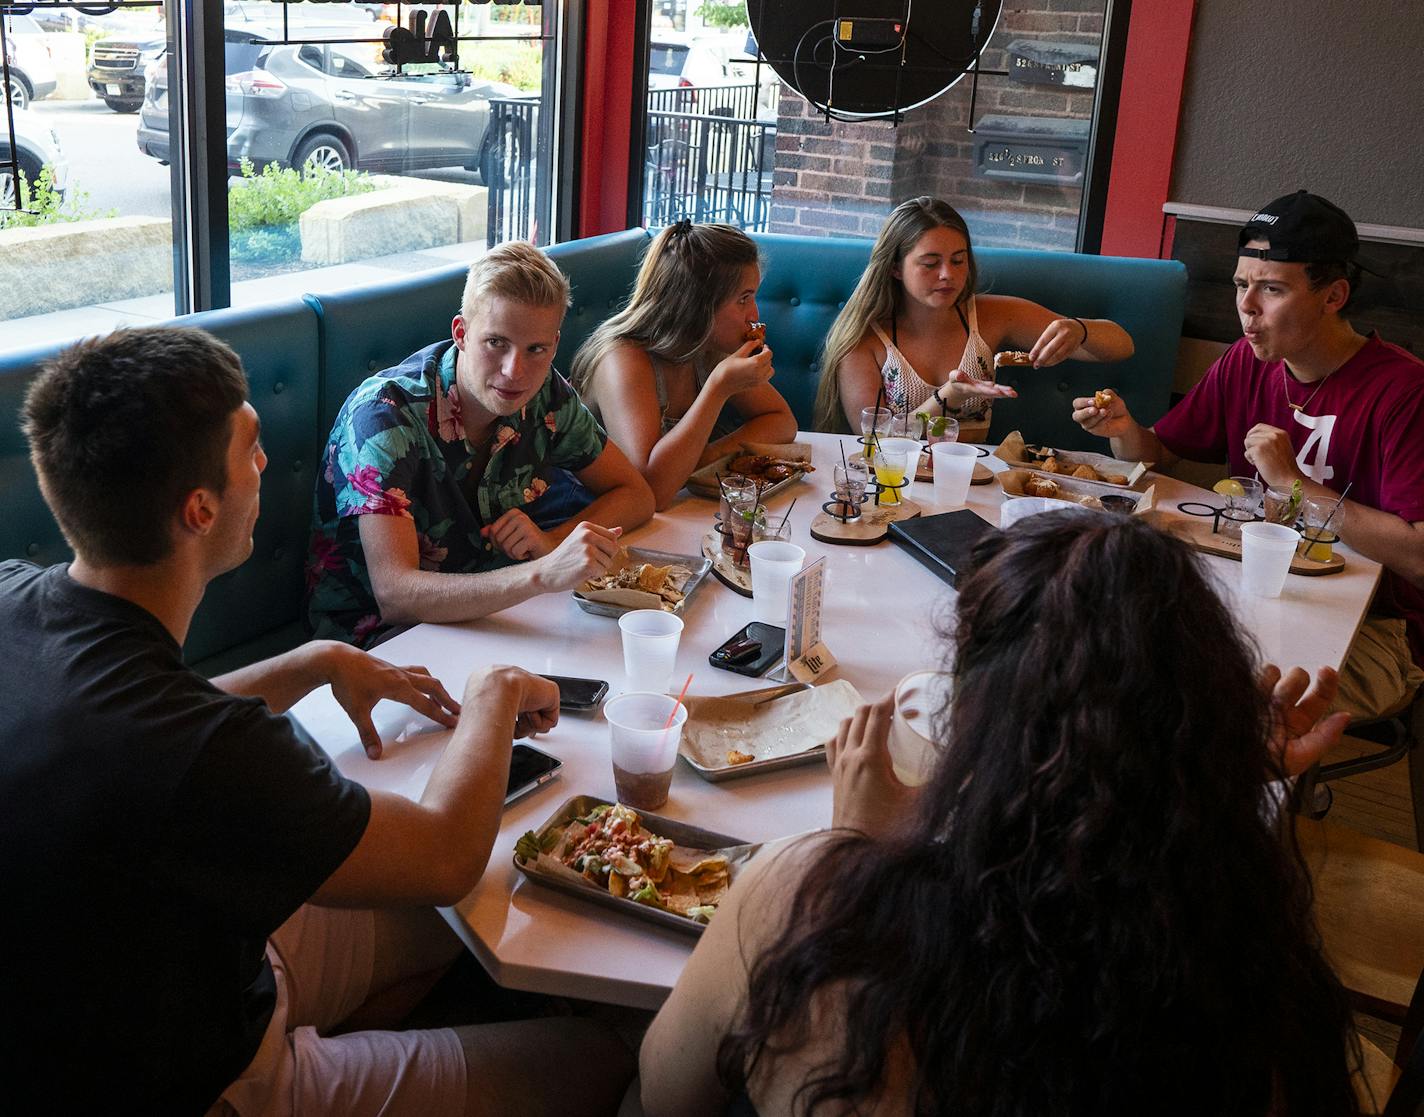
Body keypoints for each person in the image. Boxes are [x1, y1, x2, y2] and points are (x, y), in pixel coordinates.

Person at [1, 326, 634, 1114]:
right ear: (200, 510)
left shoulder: (12, 595)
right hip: (210, 1081)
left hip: (161, 973)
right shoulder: (217, 751)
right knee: (600, 1057)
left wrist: (312, 661)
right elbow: (443, 856)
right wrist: (494, 694)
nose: (266, 464)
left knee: (475, 923)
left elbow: (127, 713)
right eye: (251, 450)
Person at [639, 513, 1359, 1117]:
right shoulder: (1256, 982)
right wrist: (1210, 787)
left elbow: (664, 1092)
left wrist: (852, 849)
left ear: (976, 713)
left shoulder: (804, 894)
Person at [1073, 190, 1424, 722]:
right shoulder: (1246, 362)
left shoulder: (1405, 391)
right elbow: (1160, 450)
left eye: (1272, 288)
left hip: (1377, 629)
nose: (1246, 306)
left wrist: (1293, 485)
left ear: (1333, 296)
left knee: (1208, 705)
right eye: (1241, 284)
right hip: (1253, 594)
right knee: (1102, 646)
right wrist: (1125, 431)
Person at [307, 240, 656, 645]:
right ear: (462, 332)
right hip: (377, 644)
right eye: (496, 343)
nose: (514, 371)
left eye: (536, 349)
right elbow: (395, 594)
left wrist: (551, 542)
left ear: (554, 345)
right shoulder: (384, 415)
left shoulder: (546, 395)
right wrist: (541, 573)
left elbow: (635, 494)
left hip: (495, 616)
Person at [814, 196, 1135, 439]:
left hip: (975, 485)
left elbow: (1123, 346)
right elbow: (876, 442)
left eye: (958, 260)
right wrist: (947, 397)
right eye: (930, 263)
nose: (947, 275)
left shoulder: (992, 315)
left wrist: (1079, 330)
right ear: (895, 267)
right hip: (893, 488)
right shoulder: (863, 339)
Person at [569, 220, 798, 510]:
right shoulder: (623, 359)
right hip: (586, 519)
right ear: (697, 307)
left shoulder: (707, 348)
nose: (754, 314)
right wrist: (717, 390)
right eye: (743, 300)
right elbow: (652, 493)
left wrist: (699, 461)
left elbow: (781, 420)